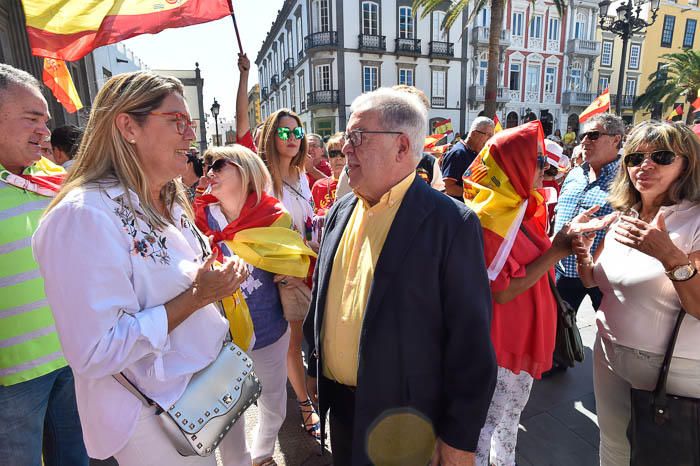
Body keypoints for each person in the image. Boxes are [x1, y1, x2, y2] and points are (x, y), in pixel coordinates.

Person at [32, 71, 249, 465]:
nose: (190, 136)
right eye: (176, 121)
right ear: (128, 125)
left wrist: (216, 279)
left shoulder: (166, 197)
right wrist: (199, 296)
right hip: (149, 418)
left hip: (197, 393)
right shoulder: (82, 216)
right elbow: (95, 351)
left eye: (191, 124)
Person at [304, 88, 497, 466]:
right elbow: (323, 295)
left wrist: (459, 440)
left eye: (357, 138)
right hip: (341, 410)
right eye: (346, 139)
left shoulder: (451, 224)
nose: (345, 149)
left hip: (405, 418)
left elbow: (470, 345)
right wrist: (315, 363)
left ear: (402, 146)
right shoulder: (342, 210)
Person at [571, 121, 700, 466]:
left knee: (663, 456)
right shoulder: (623, 215)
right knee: (613, 446)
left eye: (661, 156)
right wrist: (585, 261)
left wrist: (669, 255)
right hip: (608, 353)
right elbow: (600, 284)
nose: (645, 166)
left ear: (686, 163)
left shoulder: (696, 221)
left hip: (670, 368)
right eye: (635, 157)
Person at [463, 121, 577, 466]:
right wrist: (557, 252)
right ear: (515, 163)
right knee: (485, 425)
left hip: (523, 336)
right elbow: (501, 291)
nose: (547, 167)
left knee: (509, 419)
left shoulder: (521, 207)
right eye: (540, 159)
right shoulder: (491, 218)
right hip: (502, 343)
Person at [194, 145, 315, 466]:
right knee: (227, 415)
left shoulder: (274, 217)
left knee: (274, 405)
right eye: (207, 166)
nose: (209, 172)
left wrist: (293, 269)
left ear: (246, 170)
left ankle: (262, 455)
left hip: (269, 333)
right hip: (219, 341)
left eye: (219, 165)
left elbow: (297, 262)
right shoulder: (195, 220)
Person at [0, 64, 88, 466]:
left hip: (69, 357)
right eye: (31, 118)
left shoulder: (53, 179)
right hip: (11, 377)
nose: (43, 131)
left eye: (45, 121)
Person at [257, 108, 321, 439]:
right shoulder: (265, 180)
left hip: (309, 266)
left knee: (305, 340)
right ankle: (305, 405)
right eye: (284, 133)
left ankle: (303, 391)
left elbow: (305, 221)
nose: (293, 138)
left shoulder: (302, 177)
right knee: (293, 344)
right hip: (286, 273)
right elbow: (262, 233)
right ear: (272, 137)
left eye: (297, 132)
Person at [553, 114, 625, 326]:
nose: (584, 141)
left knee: (614, 334)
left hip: (603, 278)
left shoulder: (628, 179)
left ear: (616, 139)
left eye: (593, 135)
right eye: (583, 135)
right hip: (563, 271)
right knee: (556, 335)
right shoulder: (575, 174)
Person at [441, 116, 495, 200]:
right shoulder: (458, 153)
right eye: (488, 135)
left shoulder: (477, 153)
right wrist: (477, 193)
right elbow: (449, 188)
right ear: (474, 133)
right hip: (458, 209)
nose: (490, 139)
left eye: (492, 136)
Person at [311, 132, 345, 216]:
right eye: (333, 153)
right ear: (328, 157)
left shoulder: (358, 186)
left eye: (343, 153)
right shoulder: (318, 186)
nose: (338, 158)